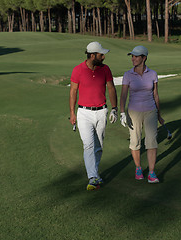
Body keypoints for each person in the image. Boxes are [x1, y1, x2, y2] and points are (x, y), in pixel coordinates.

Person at [69, 42, 118, 191]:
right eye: (100, 54)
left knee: (98, 147)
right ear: (92, 55)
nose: (103, 57)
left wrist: (114, 109)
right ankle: (92, 177)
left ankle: (95, 174)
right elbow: (73, 92)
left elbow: (111, 88)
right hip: (84, 113)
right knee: (88, 145)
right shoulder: (78, 70)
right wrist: (72, 113)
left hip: (101, 111)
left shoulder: (105, 69)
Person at [119, 46, 164, 183]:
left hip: (150, 110)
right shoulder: (128, 75)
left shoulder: (153, 74)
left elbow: (155, 95)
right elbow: (123, 95)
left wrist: (159, 114)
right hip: (133, 111)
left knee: (151, 142)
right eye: (132, 56)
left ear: (144, 58)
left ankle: (151, 172)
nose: (133, 59)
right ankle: (138, 168)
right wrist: (122, 112)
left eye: (136, 56)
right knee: (135, 141)